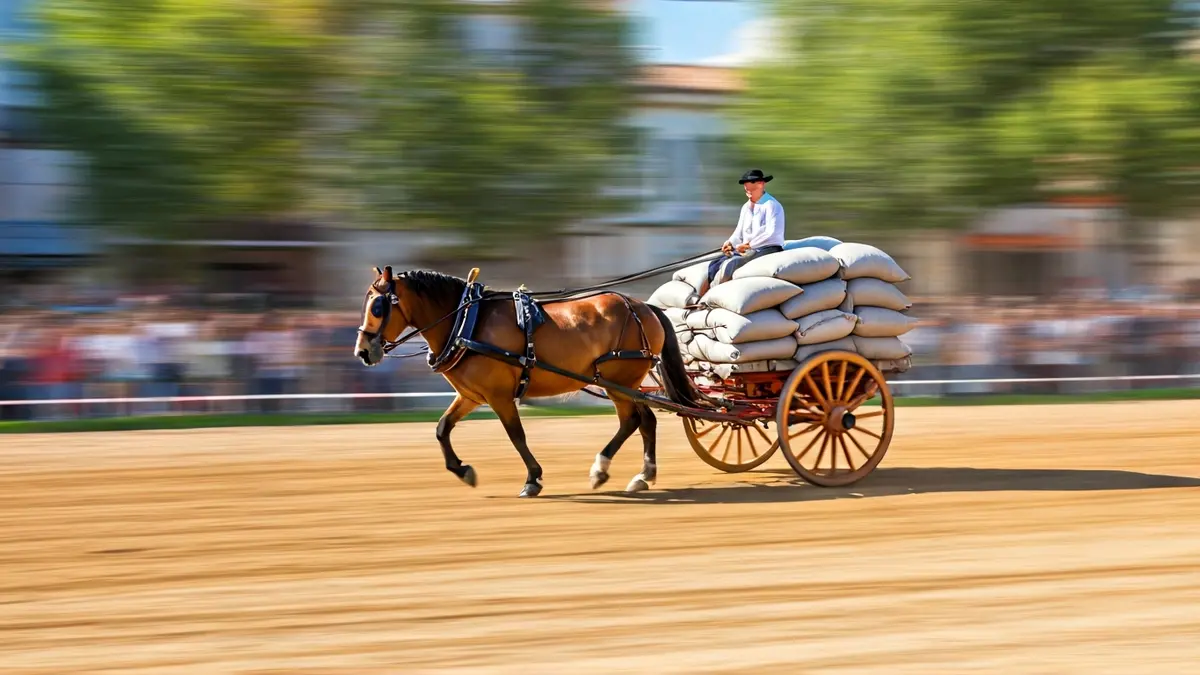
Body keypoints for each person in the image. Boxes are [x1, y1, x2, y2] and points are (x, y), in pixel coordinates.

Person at [707, 169, 786, 285]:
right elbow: (739, 232)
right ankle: (705, 294)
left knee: (731, 264)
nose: (748, 191)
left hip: (767, 248)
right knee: (714, 264)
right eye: (747, 189)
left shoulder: (771, 205)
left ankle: (713, 293)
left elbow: (772, 233)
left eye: (751, 187)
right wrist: (730, 242)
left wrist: (749, 245)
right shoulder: (746, 207)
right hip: (747, 249)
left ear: (761, 184)